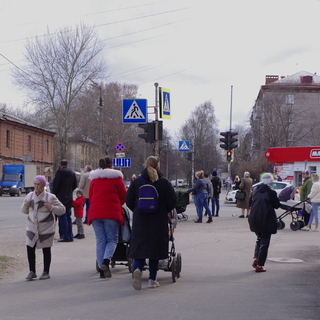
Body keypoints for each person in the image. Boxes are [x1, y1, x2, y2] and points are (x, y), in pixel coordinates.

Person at [126, 156, 177, 290]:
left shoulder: (137, 182)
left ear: (145, 165)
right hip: (158, 221)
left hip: (140, 221)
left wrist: (137, 211)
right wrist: (162, 210)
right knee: (154, 250)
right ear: (158, 166)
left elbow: (129, 200)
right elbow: (172, 201)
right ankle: (152, 280)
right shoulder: (164, 182)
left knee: (140, 248)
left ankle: (137, 269)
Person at [88, 156, 127, 279]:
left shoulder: (94, 180)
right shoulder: (117, 179)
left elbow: (90, 196)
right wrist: (117, 205)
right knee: (112, 239)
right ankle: (106, 261)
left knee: (100, 240)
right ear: (111, 165)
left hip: (95, 213)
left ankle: (101, 271)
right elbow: (124, 196)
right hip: (111, 213)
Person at [21, 175, 65, 280]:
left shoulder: (50, 197)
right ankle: (32, 271)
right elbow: (23, 211)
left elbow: (62, 209)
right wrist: (26, 206)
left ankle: (46, 271)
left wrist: (51, 207)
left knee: (46, 249)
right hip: (31, 228)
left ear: (43, 185)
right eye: (35, 184)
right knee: (30, 247)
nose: (36, 186)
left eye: (38, 184)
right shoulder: (29, 196)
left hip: (46, 229)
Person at [248, 173, 280, 272]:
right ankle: (260, 265)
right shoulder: (271, 192)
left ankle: (256, 259)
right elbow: (277, 205)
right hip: (266, 220)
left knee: (259, 239)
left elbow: (249, 203)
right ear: (270, 182)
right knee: (264, 242)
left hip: (254, 219)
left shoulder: (255, 190)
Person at [52, 159, 78, 243]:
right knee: (68, 217)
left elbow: (55, 186)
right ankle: (70, 235)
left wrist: (55, 194)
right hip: (69, 198)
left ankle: (65, 236)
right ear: (67, 165)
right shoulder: (72, 174)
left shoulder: (59, 174)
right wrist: (69, 191)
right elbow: (75, 185)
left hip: (60, 198)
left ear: (60, 165)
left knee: (62, 218)